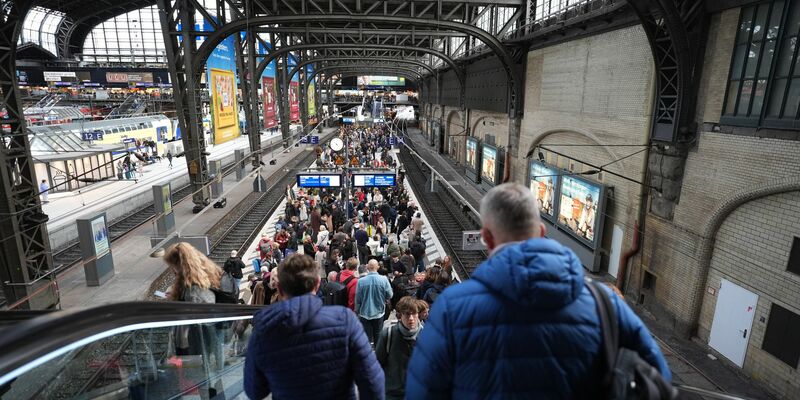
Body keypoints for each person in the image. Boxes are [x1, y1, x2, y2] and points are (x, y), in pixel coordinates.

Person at [406, 183, 671, 398]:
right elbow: (656, 378)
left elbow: (423, 391)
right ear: (542, 231)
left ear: (486, 237)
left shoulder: (453, 307)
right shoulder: (606, 304)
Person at [244, 254, 384, 399]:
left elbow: (254, 391)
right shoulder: (345, 320)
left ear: (279, 288)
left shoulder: (264, 328)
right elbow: (372, 381)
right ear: (317, 284)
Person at [376, 296, 423, 400]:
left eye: (414, 313)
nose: (411, 318)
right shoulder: (388, 335)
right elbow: (377, 365)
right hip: (393, 393)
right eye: (407, 314)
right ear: (400, 316)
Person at [355, 259, 393, 346]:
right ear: (378, 267)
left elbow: (358, 299)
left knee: (366, 337)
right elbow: (390, 295)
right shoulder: (384, 279)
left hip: (364, 313)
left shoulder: (360, 281)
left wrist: (357, 311)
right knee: (378, 335)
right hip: (379, 312)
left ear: (367, 267)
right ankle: (378, 354)